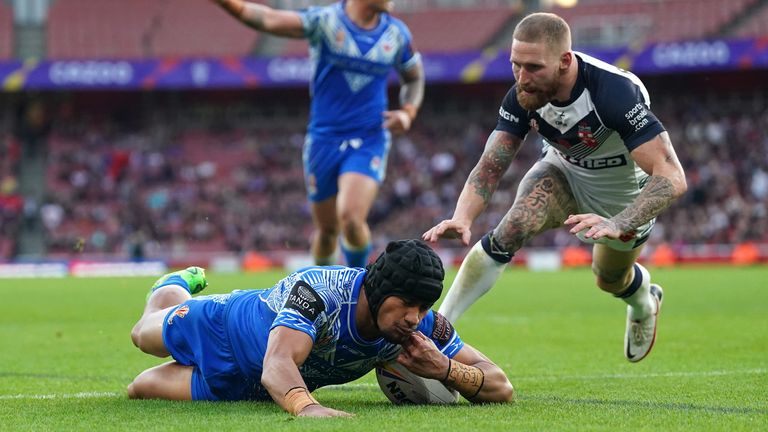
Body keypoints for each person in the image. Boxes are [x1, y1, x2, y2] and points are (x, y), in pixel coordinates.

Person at [423, 12, 687, 363]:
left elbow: (671, 176)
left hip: (622, 196)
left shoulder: (613, 93)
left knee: (609, 279)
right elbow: (491, 164)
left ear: (565, 61)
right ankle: (437, 333)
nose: (522, 78)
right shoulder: (521, 94)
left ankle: (643, 302)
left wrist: (620, 222)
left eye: (533, 67)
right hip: (564, 170)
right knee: (511, 228)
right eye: (516, 65)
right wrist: (462, 217)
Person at [128, 239, 514, 417]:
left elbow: (500, 385)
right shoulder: (320, 291)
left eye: (423, 306)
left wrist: (445, 369)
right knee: (143, 335)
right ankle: (173, 286)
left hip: (246, 388)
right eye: (406, 303)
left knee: (138, 389)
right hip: (221, 328)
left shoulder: (419, 327)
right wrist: (307, 407)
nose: (415, 317)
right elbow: (278, 362)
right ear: (378, 291)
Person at [210, 0, 425, 267]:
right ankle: (322, 296)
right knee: (327, 232)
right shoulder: (325, 22)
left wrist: (408, 112)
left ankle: (357, 287)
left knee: (351, 217)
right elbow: (267, 19)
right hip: (324, 140)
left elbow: (414, 77)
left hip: (370, 137)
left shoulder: (397, 34)